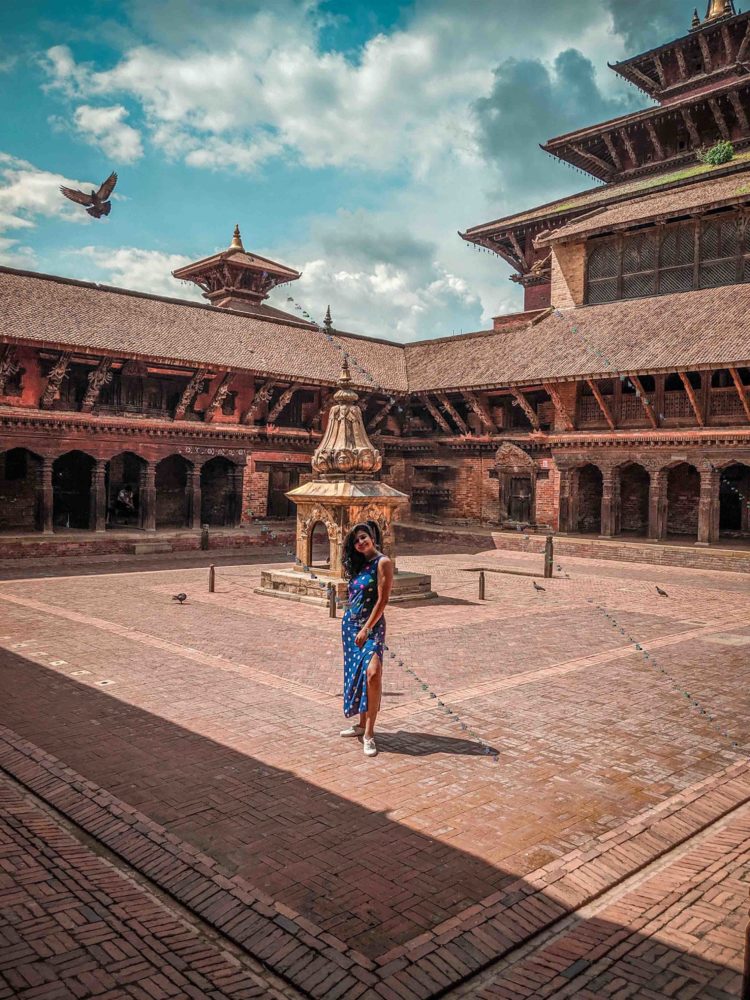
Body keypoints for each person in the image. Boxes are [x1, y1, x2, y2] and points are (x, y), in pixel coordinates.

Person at [339, 521, 394, 757]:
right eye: (356, 541)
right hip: (351, 626)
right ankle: (361, 725)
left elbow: (382, 600)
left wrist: (367, 628)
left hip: (370, 628)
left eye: (363, 537)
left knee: (373, 673)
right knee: (359, 674)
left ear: (372, 537)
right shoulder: (360, 565)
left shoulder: (383, 562)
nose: (361, 542)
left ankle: (369, 734)